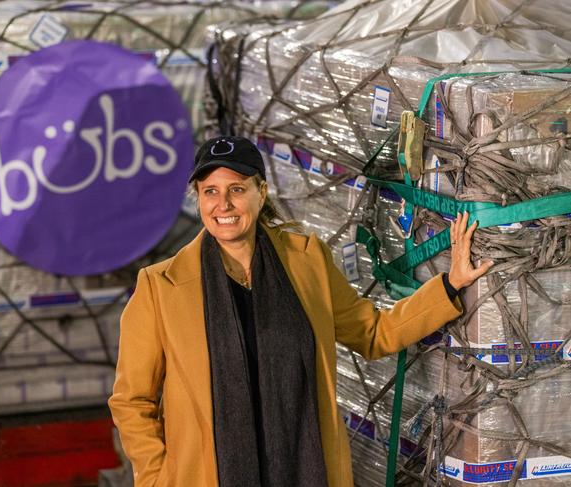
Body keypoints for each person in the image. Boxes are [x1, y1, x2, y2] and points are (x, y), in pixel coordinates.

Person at [108, 136, 493, 487]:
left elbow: (374, 333)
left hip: (304, 470)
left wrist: (450, 283)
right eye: (210, 191)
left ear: (261, 192)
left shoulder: (306, 261)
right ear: (199, 198)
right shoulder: (160, 287)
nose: (223, 204)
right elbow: (133, 401)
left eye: (236, 190)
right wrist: (158, 478)